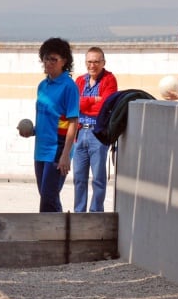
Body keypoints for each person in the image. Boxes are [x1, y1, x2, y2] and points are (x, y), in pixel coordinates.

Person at [19, 37, 79, 213]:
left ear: (64, 62)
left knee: (48, 198)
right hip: (41, 149)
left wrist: (66, 154)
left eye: (54, 59)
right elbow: (50, 118)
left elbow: (73, 122)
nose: (48, 62)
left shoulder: (69, 87)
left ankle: (48, 236)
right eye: (46, 58)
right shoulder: (42, 86)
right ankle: (59, 234)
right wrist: (32, 131)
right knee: (47, 197)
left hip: (58, 149)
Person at [73, 47, 118, 212]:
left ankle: (96, 212)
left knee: (98, 178)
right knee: (79, 177)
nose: (92, 65)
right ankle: (79, 212)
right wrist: (92, 100)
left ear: (103, 63)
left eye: (96, 62)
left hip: (97, 134)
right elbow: (72, 105)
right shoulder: (79, 81)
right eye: (89, 62)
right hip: (80, 132)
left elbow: (104, 107)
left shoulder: (109, 80)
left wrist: (83, 102)